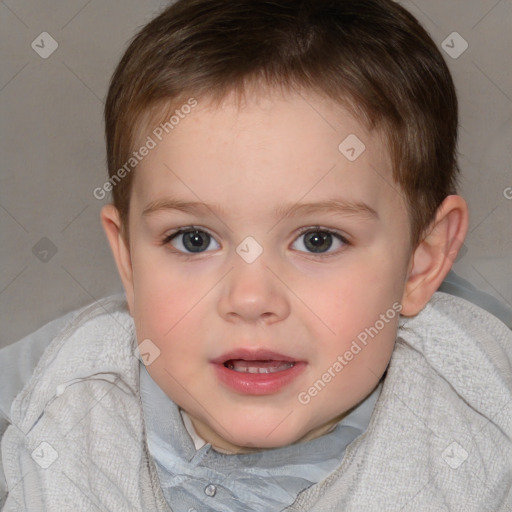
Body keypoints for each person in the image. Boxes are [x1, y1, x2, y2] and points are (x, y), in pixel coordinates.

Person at [1, 0, 511, 510]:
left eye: (318, 240)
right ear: (129, 261)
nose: (250, 298)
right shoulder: (64, 403)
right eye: (194, 239)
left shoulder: (478, 428)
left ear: (422, 261)